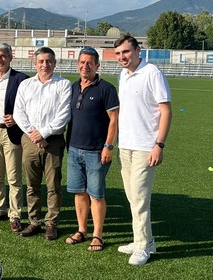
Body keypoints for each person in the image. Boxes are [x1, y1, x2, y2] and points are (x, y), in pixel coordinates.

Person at [114, 35, 172, 265]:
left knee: (139, 199)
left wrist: (158, 145)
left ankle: (142, 248)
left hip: (145, 147)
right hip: (125, 145)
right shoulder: (123, 75)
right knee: (132, 198)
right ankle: (145, 241)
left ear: (138, 50)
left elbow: (166, 110)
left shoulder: (152, 73)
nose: (122, 57)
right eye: (118, 54)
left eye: (126, 52)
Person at [13, 46, 71, 240]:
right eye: (41, 61)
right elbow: (18, 112)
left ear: (54, 63)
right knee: (32, 184)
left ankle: (51, 223)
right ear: (35, 63)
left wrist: (44, 133)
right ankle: (34, 221)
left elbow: (64, 114)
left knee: (53, 184)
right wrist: (34, 133)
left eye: (49, 61)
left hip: (53, 140)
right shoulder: (26, 85)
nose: (45, 65)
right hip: (30, 140)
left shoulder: (63, 85)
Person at [65, 46, 119, 251]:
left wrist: (108, 146)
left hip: (97, 151)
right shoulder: (73, 87)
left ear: (97, 65)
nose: (85, 66)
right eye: (82, 62)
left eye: (90, 63)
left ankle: (98, 235)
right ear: (77, 64)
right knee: (79, 193)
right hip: (74, 150)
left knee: (96, 194)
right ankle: (81, 230)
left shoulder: (106, 89)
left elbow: (114, 120)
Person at [0, 43, 28, 233]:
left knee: (14, 177)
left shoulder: (21, 79)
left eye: (3, 56)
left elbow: (29, 105)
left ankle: (15, 215)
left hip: (12, 133)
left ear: (10, 57)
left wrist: (16, 119)